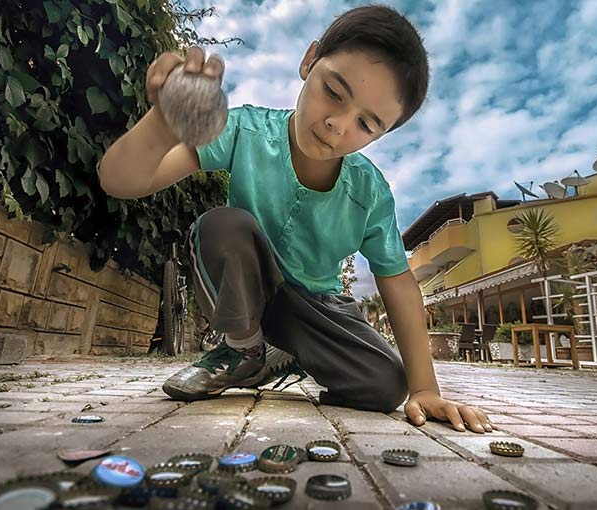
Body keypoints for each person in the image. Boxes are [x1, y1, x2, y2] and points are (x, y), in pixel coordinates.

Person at [99, 5, 494, 433]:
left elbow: (397, 283)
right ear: (309, 61)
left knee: (386, 385)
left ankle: (285, 352)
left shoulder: (370, 194)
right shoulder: (246, 131)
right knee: (222, 225)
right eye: (334, 92)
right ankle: (242, 350)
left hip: (316, 309)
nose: (336, 124)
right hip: (252, 292)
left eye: (365, 123)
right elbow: (118, 180)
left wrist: (424, 388)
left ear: (382, 134)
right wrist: (160, 126)